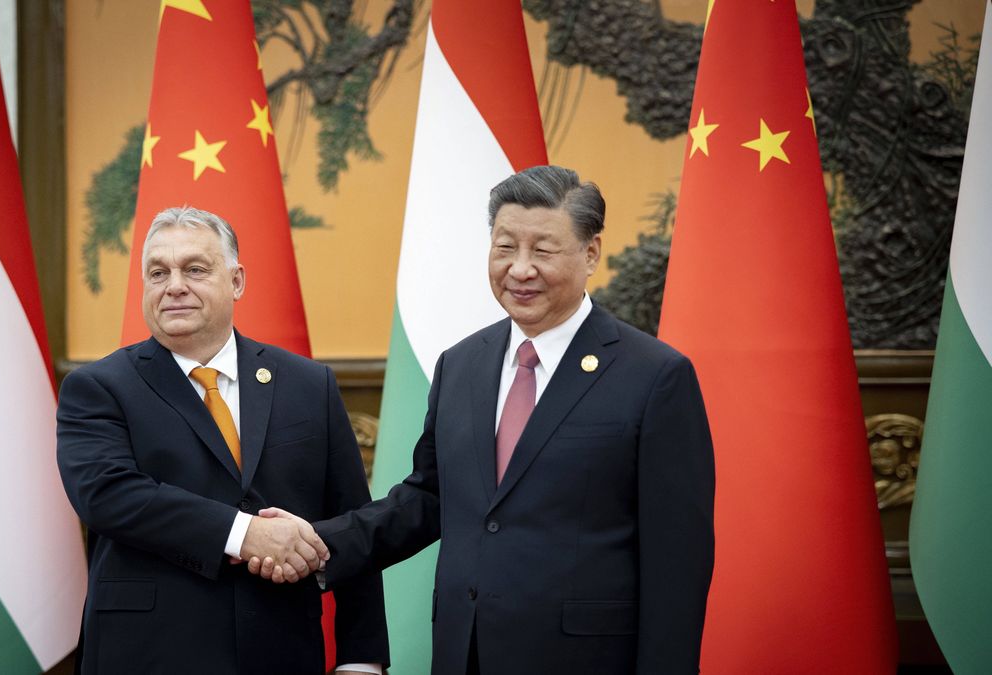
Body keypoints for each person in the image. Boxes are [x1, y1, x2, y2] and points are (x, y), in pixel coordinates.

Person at [254, 166, 715, 674]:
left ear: (590, 253)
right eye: (505, 248)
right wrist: (319, 544)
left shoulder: (654, 376)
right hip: (464, 653)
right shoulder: (462, 364)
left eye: (542, 251)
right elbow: (428, 498)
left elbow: (678, 563)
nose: (520, 269)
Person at [57, 206, 388, 674]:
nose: (174, 286)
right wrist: (244, 534)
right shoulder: (99, 387)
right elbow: (107, 495)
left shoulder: (308, 384)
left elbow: (351, 519)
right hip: (148, 654)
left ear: (236, 281)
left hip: (281, 651)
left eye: (194, 269)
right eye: (158, 273)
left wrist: (362, 657)